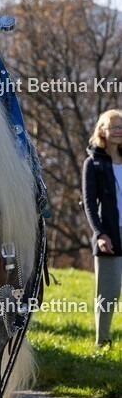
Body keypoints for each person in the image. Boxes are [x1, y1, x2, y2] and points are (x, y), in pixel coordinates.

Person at [82, 108, 122, 347]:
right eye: (114, 126)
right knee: (108, 294)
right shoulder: (93, 164)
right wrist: (100, 234)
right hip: (111, 234)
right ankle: (103, 342)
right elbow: (89, 203)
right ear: (102, 131)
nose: (119, 130)